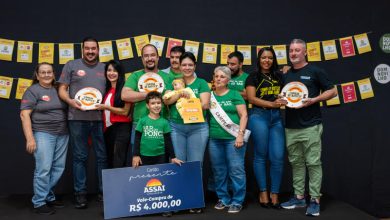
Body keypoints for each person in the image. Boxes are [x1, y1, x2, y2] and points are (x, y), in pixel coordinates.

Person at [280, 39, 337, 217]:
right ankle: (299, 196)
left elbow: (333, 91)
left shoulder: (315, 71)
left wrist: (315, 100)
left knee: (313, 163)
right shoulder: (285, 73)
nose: (294, 53)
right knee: (296, 163)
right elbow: (285, 95)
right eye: (291, 51)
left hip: (311, 125)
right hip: (290, 126)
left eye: (297, 50)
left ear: (305, 52)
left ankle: (314, 200)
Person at [58, 37, 107, 208]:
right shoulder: (71, 65)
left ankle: (104, 192)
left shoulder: (105, 68)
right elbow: (62, 88)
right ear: (82, 50)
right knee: (80, 157)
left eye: (94, 48)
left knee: (102, 157)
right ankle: (80, 193)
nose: (91, 51)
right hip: (77, 118)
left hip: (100, 119)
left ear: (98, 50)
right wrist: (70, 101)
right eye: (87, 48)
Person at [163, 52, 210, 213]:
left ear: (195, 66)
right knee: (177, 163)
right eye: (184, 65)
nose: (187, 68)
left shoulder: (202, 83)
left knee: (196, 165)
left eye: (190, 65)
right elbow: (166, 101)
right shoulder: (173, 82)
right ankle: (177, 200)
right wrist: (178, 93)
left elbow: (205, 104)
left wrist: (188, 95)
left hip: (198, 127)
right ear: (179, 66)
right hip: (176, 127)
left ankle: (194, 200)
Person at [20, 63, 69, 215]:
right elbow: (24, 115)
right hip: (42, 133)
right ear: (37, 75)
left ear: (54, 74)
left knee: (58, 168)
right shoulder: (32, 91)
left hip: (63, 133)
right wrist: (30, 138)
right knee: (44, 169)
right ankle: (39, 202)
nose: (46, 75)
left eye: (49, 72)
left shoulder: (59, 89)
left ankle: (48, 195)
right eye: (43, 72)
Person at [245, 47, 286, 209]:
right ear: (259, 60)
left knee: (277, 156)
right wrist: (271, 104)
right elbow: (251, 98)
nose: (266, 60)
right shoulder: (253, 76)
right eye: (263, 58)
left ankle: (275, 192)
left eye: (270, 58)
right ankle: (263, 191)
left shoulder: (279, 76)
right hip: (258, 116)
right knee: (260, 155)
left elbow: (285, 93)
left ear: (273, 59)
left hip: (276, 118)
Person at [132, 91, 183, 217]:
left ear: (162, 104)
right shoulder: (142, 121)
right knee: (145, 183)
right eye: (153, 103)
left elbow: (168, 141)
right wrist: (135, 155)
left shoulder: (164, 122)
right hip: (144, 157)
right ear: (147, 106)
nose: (156, 105)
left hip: (160, 156)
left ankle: (164, 206)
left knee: (161, 183)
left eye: (158, 103)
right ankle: (144, 207)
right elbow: (137, 139)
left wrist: (173, 157)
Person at [208, 66, 248, 214]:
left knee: (236, 170)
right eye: (216, 76)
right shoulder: (209, 96)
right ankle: (223, 198)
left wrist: (240, 135)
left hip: (233, 139)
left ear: (228, 80)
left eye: (222, 77)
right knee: (218, 171)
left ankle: (237, 201)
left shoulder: (234, 94)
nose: (218, 79)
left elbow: (244, 115)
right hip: (214, 139)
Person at [121, 44, 173, 155]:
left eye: (153, 55)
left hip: (162, 123)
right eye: (146, 56)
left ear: (158, 58)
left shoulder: (168, 77)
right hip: (139, 124)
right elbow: (125, 95)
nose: (150, 58)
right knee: (138, 161)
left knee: (163, 160)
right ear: (142, 59)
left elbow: (171, 98)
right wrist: (151, 94)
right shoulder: (135, 76)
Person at [95, 60, 132, 168]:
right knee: (110, 162)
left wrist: (106, 107)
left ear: (120, 73)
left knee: (118, 161)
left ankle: (120, 185)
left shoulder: (126, 89)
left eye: (115, 70)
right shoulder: (107, 89)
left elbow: (125, 112)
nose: (111, 73)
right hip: (108, 129)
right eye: (109, 70)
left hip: (122, 128)